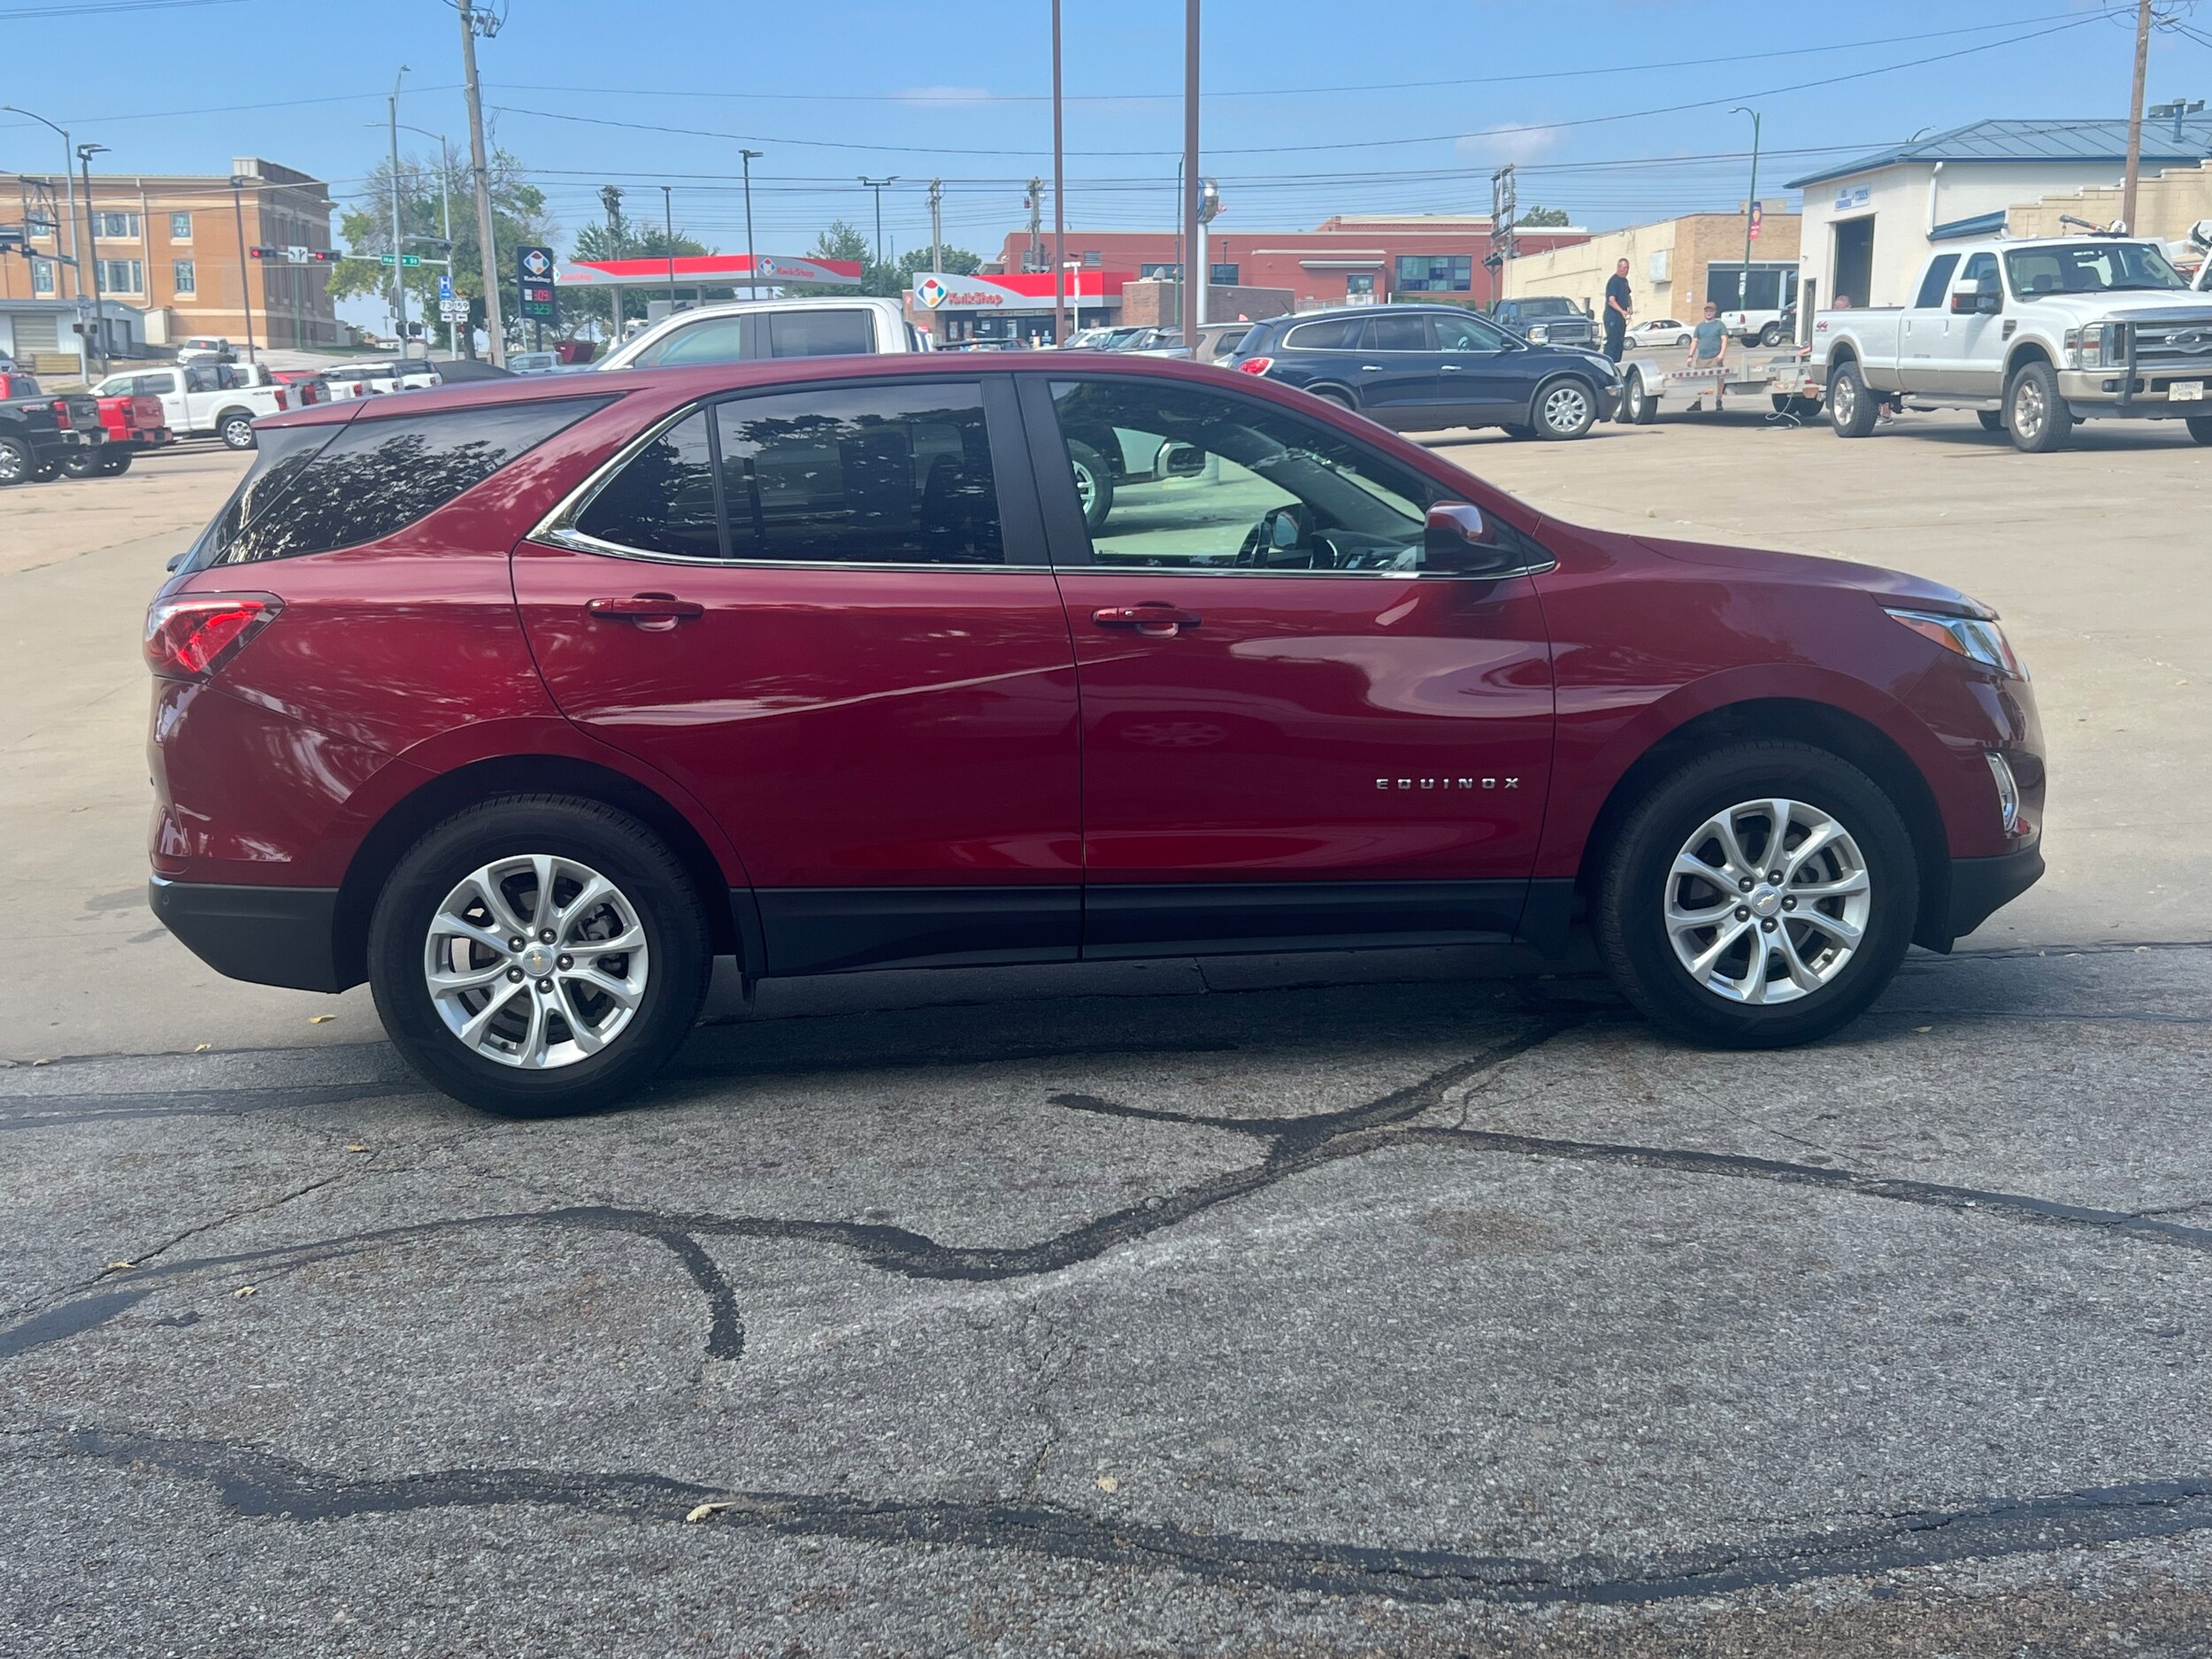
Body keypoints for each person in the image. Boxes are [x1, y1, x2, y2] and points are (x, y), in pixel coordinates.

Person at [1691, 301, 1728, 410]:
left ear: (1715, 312)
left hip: (1715, 358)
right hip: (1701, 358)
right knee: (1698, 380)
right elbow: (1694, 341)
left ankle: (1718, 400)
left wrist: (1721, 354)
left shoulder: (1719, 325)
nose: (1709, 313)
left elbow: (1724, 339)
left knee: (1719, 379)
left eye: (1711, 310)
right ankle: (1697, 403)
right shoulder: (1700, 326)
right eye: (1707, 310)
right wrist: (1690, 356)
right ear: (1704, 312)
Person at [1603, 258, 1632, 363]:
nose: (1626, 270)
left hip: (1621, 319)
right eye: (1624, 268)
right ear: (1619, 268)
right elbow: (1611, 301)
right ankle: (1608, 365)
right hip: (1613, 317)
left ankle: (1617, 365)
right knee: (1613, 343)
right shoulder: (1613, 281)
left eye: (1627, 268)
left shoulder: (1625, 282)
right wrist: (1621, 311)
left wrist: (1629, 307)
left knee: (1620, 343)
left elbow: (1628, 295)